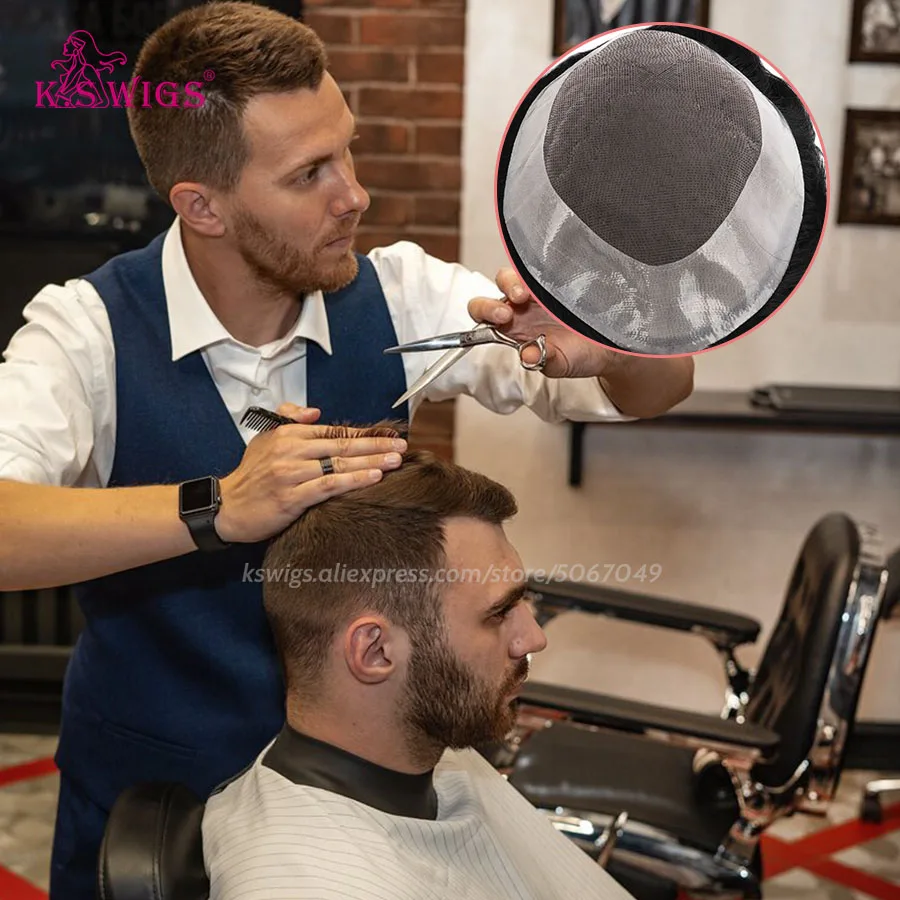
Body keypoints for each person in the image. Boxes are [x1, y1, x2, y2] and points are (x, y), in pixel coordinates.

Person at [0, 4, 692, 897]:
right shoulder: (86, 332)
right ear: (202, 206)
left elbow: (654, 389)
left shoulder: (401, 297)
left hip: (361, 822)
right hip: (154, 815)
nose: (353, 194)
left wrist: (614, 351)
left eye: (348, 151)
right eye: (309, 173)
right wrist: (218, 507)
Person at [203, 442, 634, 900]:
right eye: (498, 613)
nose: (533, 638)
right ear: (375, 652)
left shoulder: (432, 754)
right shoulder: (310, 885)